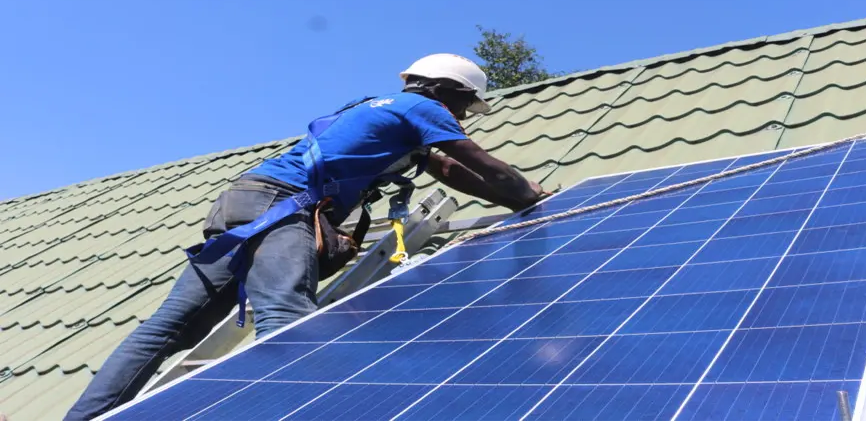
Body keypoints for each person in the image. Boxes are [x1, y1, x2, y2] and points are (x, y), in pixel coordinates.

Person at [66, 53, 546, 420]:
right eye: (465, 103)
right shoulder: (422, 107)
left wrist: (510, 201)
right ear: (444, 90)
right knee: (287, 317)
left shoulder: (374, 109)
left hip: (241, 202)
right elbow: (478, 163)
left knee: (166, 328)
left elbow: (450, 171)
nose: (464, 114)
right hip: (283, 206)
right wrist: (528, 195)